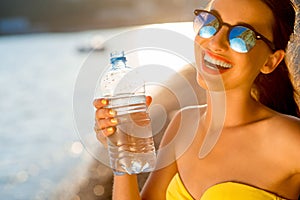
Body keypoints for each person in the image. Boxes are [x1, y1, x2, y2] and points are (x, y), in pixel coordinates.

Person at [93, 0, 300, 199]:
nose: (215, 42)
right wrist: (123, 150)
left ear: (271, 61)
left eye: (242, 36)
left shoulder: (291, 140)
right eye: (211, 23)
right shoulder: (183, 126)